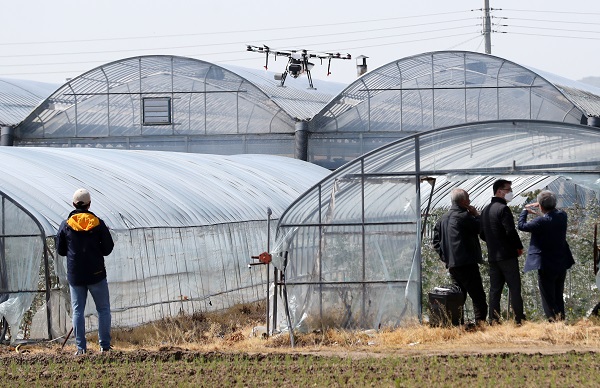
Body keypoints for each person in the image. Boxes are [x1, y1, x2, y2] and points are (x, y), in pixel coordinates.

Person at [56, 188, 114, 355]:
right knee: (103, 309)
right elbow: (108, 248)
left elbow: (60, 250)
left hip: (76, 275)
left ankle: (81, 349)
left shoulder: (66, 225)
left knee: (77, 310)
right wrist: (97, 251)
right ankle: (104, 346)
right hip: (96, 274)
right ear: (89, 204)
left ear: (74, 204)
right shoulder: (98, 223)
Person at [432, 188, 488, 326]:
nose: (470, 202)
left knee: (459, 296)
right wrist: (476, 214)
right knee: (477, 296)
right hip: (467, 262)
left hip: (453, 264)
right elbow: (480, 228)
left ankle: (456, 323)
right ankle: (480, 324)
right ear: (463, 202)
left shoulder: (442, 219)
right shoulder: (464, 216)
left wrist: (446, 257)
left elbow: (435, 242)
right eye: (468, 199)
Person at [517, 190, 574, 321]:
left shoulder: (540, 222)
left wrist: (525, 211)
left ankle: (553, 321)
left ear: (541, 206)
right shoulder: (562, 216)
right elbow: (555, 210)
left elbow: (522, 226)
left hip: (546, 264)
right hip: (561, 262)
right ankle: (561, 319)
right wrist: (545, 203)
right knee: (558, 294)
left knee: (548, 296)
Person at [480, 179, 526, 325]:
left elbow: (482, 234)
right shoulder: (503, 209)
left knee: (495, 290)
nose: (510, 193)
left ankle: (494, 320)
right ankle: (519, 319)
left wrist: (493, 242)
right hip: (507, 255)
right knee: (514, 288)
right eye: (508, 190)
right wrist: (518, 247)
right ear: (499, 191)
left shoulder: (486, 210)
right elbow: (510, 231)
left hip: (493, 257)